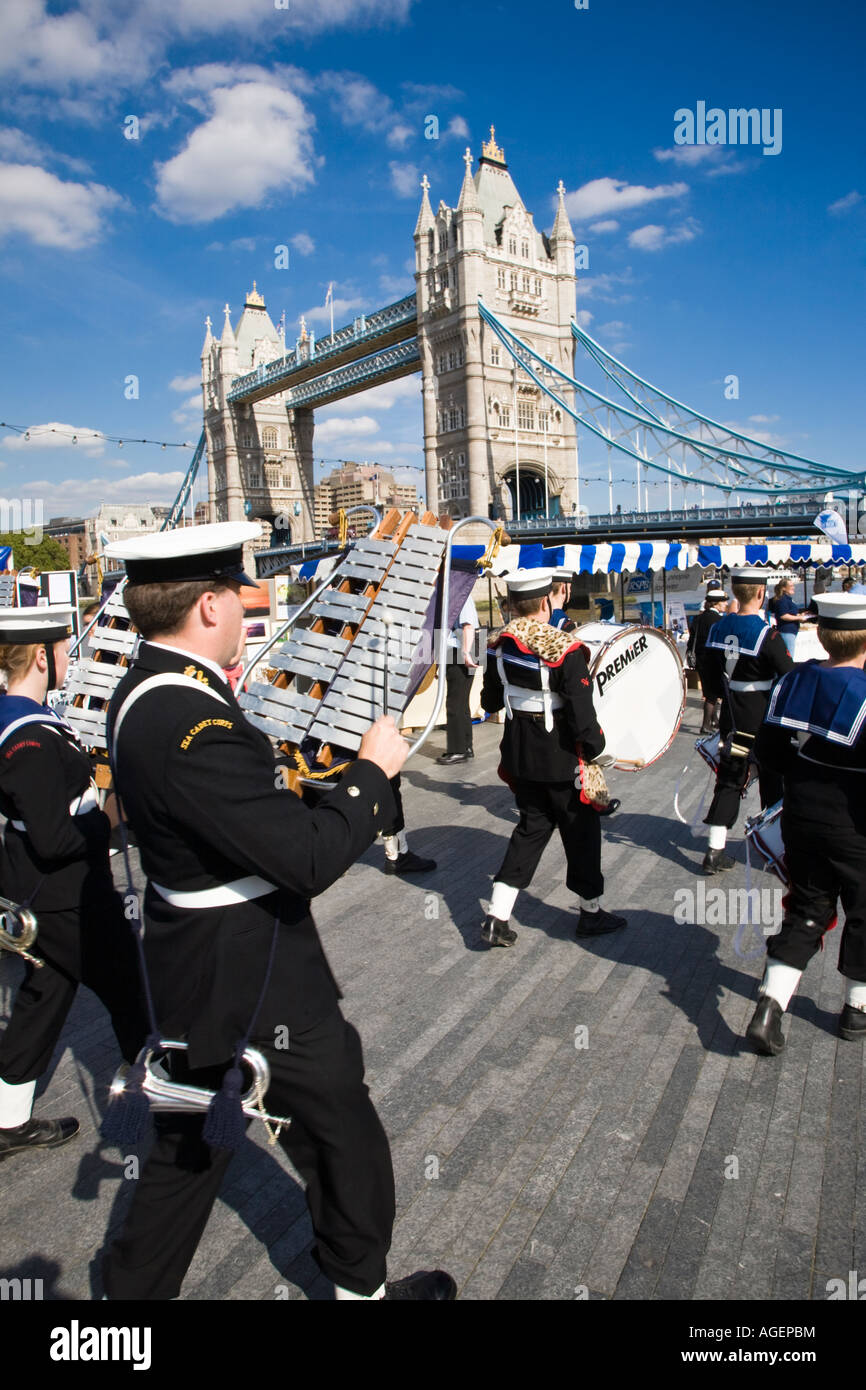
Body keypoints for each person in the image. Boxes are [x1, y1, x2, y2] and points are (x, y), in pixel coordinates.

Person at [99, 522, 454, 1301]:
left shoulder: (142, 691)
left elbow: (221, 817)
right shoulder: (190, 724)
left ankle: (119, 1314)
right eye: (235, 595)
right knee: (339, 1129)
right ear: (206, 608)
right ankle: (358, 1286)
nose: (245, 609)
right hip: (256, 967)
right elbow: (308, 860)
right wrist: (371, 774)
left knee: (190, 1146)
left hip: (189, 955)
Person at [0, 607, 144, 1160]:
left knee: (44, 999)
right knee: (131, 985)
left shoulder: (23, 719)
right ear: (41, 657)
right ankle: (172, 1100)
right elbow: (54, 838)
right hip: (64, 898)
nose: (68, 658)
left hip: (48, 895)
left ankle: (8, 1122)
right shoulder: (27, 739)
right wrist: (109, 816)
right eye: (63, 650)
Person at [478, 569, 625, 947]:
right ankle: (590, 914)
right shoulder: (567, 650)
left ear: (512, 605)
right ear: (546, 602)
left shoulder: (498, 645)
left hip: (519, 756)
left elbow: (490, 702)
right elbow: (581, 714)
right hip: (561, 761)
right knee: (582, 834)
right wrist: (597, 749)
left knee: (530, 830)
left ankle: (497, 916)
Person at [747, 593, 866, 1053]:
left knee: (808, 909)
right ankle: (857, 1010)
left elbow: (772, 753)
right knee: (863, 912)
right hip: (856, 822)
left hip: (801, 815)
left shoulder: (797, 679)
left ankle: (769, 1007)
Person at [700, 567, 793, 874]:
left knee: (730, 779)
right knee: (772, 778)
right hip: (763, 722)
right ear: (760, 593)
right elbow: (788, 675)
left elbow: (710, 676)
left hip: (732, 720)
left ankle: (714, 849)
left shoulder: (717, 628)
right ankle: (773, 846)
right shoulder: (767, 633)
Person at [437, 592, 479, 765]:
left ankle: (457, 750)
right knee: (462, 702)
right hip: (461, 650)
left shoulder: (462, 594)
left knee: (454, 703)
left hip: (460, 650)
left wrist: (465, 653)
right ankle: (466, 746)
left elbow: (468, 625)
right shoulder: (460, 593)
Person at [686, 586, 728, 733]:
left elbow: (692, 640)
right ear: (716, 604)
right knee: (712, 694)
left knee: (710, 691)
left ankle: (714, 720)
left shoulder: (699, 618)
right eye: (723, 602)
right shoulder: (717, 620)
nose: (725, 604)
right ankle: (705, 725)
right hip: (712, 660)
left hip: (701, 660)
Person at [767, 577, 810, 658]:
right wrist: (799, 618)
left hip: (790, 631)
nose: (793, 587)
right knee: (789, 657)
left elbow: (789, 613)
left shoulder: (787, 599)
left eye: (793, 585)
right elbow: (783, 616)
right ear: (784, 588)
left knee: (788, 655)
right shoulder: (782, 600)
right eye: (791, 586)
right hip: (786, 631)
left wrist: (800, 615)